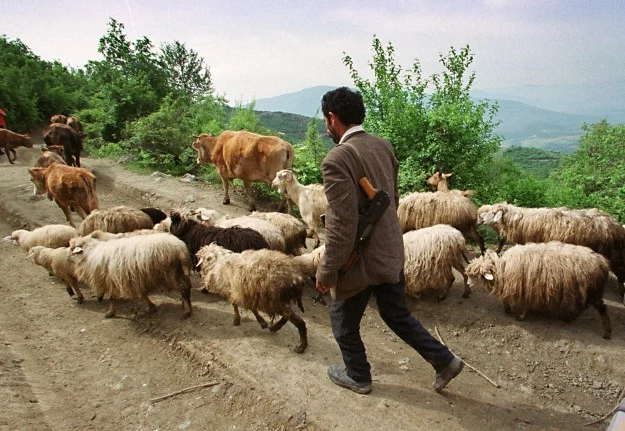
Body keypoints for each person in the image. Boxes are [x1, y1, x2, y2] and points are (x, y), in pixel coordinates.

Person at [315, 87, 463, 395]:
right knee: (397, 313)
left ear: (333, 118)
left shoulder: (336, 159)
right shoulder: (383, 145)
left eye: (326, 120)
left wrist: (326, 272)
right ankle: (444, 361)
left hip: (361, 259)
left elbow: (342, 226)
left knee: (341, 318)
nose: (326, 127)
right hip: (390, 248)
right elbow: (391, 200)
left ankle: (358, 375)